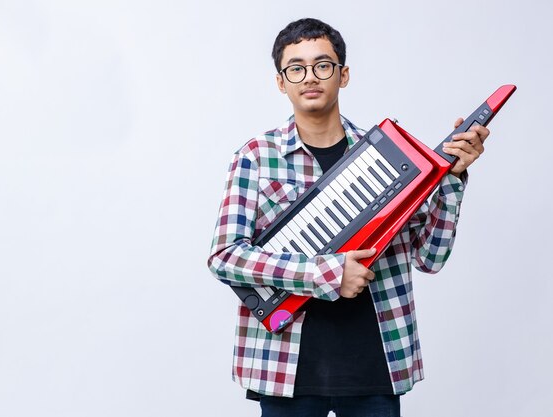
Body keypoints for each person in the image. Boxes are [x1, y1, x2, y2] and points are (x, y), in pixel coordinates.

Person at [207, 18, 488, 417]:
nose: (310, 77)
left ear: (344, 75)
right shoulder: (255, 156)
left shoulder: (394, 158)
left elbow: (430, 259)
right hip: (286, 369)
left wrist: (452, 178)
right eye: (296, 68)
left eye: (323, 65)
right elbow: (225, 257)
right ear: (281, 82)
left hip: (376, 364)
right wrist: (326, 273)